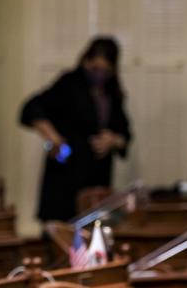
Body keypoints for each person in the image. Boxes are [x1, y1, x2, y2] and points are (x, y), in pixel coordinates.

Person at [20, 36, 132, 224]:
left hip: (96, 180)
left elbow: (126, 134)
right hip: (67, 177)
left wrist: (113, 140)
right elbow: (31, 109)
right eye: (95, 69)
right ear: (86, 61)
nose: (99, 75)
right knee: (63, 233)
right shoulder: (69, 84)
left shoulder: (113, 93)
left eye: (105, 71)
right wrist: (53, 137)